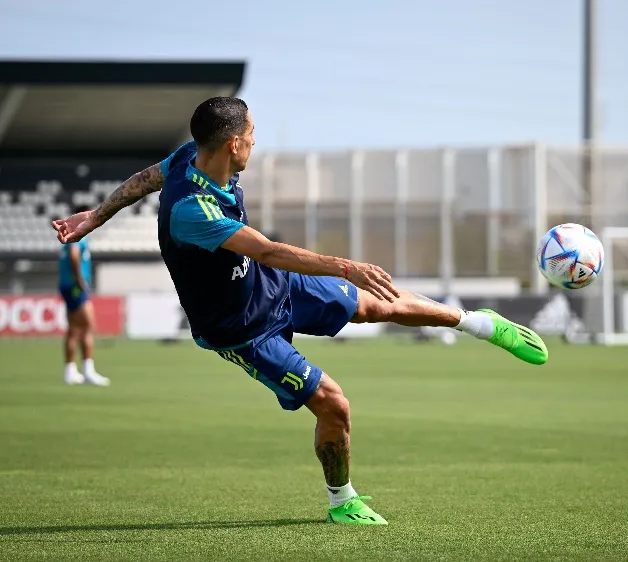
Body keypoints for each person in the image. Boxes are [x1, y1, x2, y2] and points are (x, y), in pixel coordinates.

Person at [52, 97, 547, 525]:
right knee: (334, 403)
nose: (254, 143)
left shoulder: (187, 156)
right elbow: (265, 249)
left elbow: (141, 180)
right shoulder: (191, 210)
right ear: (233, 146)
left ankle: (481, 324)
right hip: (240, 330)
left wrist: (94, 217)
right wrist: (342, 266)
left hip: (270, 285)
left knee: (377, 306)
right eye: (251, 136)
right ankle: (343, 500)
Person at [57, 213, 110, 387]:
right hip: (75, 287)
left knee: (74, 329)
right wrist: (80, 281)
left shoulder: (71, 236)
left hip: (66, 285)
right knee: (88, 326)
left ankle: (70, 371)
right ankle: (88, 371)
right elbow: (74, 256)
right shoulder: (79, 236)